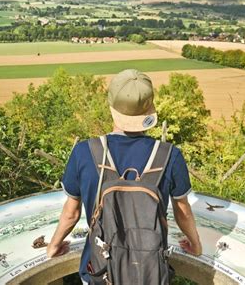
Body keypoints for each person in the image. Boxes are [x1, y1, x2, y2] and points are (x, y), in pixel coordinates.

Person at [47, 69, 202, 284]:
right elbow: (182, 211)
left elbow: (71, 213)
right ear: (149, 109)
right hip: (150, 271)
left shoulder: (84, 152)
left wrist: (54, 245)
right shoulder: (169, 156)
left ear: (111, 106)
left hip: (100, 270)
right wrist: (195, 244)